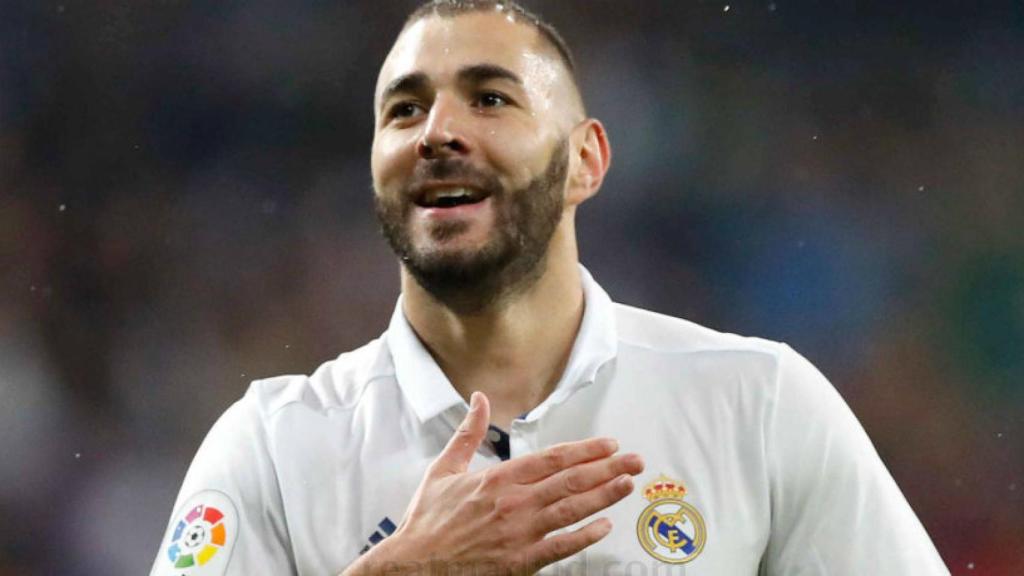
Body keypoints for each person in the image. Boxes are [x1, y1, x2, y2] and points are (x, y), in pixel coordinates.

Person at [150, 1, 949, 574]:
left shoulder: (759, 405)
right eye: (404, 110)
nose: (436, 132)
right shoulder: (273, 449)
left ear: (586, 161)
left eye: (490, 97)